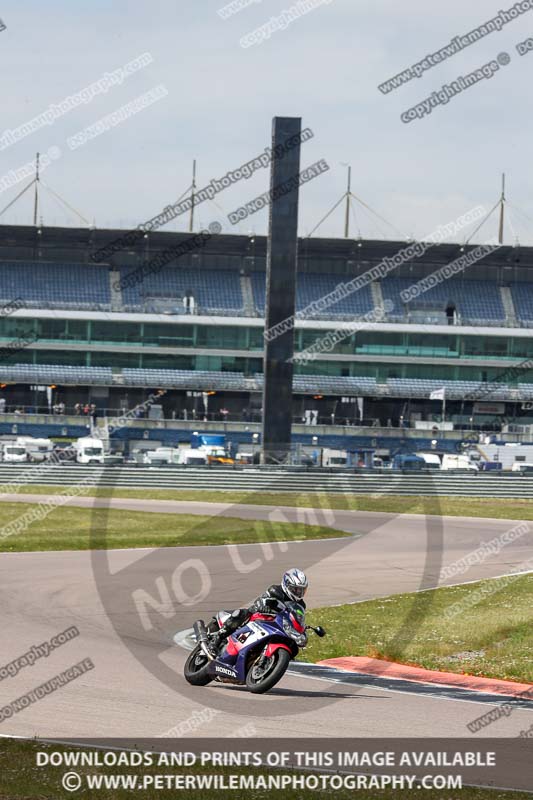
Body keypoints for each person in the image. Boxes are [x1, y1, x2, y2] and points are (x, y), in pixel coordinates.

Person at [209, 568, 308, 651]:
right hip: (259, 614)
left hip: (277, 623)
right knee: (241, 613)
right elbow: (262, 600)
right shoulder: (275, 590)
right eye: (297, 589)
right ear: (287, 584)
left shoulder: (301, 604)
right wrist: (264, 606)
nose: (299, 593)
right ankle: (217, 638)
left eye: (302, 590)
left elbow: (298, 617)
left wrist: (302, 630)